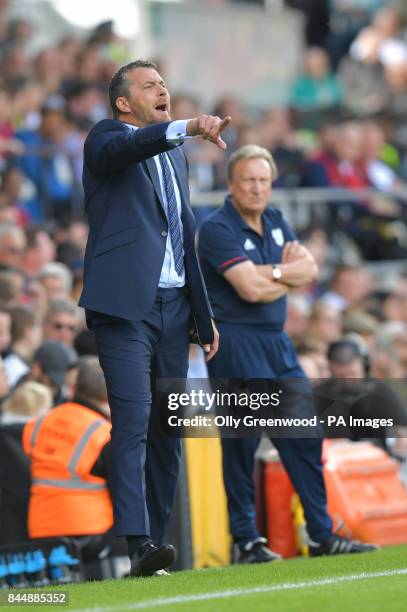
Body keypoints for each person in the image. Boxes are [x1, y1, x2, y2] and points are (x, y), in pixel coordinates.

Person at [78, 59, 226, 576]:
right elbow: (129, 146)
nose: (162, 89)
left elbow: (185, 231)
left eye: (164, 83)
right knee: (135, 421)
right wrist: (184, 127)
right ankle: (136, 542)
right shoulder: (106, 138)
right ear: (123, 102)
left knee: (168, 431)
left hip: (173, 307)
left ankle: (155, 551)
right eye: (149, 85)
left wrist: (203, 315)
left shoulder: (173, 155)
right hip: (124, 309)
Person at [198, 144, 378, 561]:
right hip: (235, 343)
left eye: (264, 180)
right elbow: (250, 288)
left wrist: (270, 275)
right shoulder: (216, 227)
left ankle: (322, 533)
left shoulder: (276, 220)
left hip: (277, 341)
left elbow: (310, 271)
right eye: (248, 179)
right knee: (241, 445)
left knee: (305, 436)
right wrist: (284, 275)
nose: (257, 188)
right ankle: (245, 540)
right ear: (231, 184)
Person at [22, 357, 116, 561]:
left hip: (41, 528)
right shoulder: (104, 433)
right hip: (90, 529)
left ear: (75, 387)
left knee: (57, 592)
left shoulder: (39, 423)